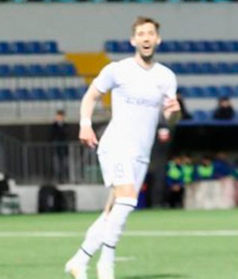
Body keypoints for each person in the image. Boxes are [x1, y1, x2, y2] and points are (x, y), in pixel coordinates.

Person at [65, 16, 180, 279]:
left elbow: (170, 118)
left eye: (150, 33)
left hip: (141, 153)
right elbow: (91, 96)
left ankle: (79, 260)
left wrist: (175, 112)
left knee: (112, 211)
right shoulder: (118, 70)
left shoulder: (166, 77)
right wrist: (85, 124)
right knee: (128, 200)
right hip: (117, 144)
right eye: (141, 34)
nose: (146, 38)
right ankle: (106, 264)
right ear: (133, 40)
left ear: (158, 40)